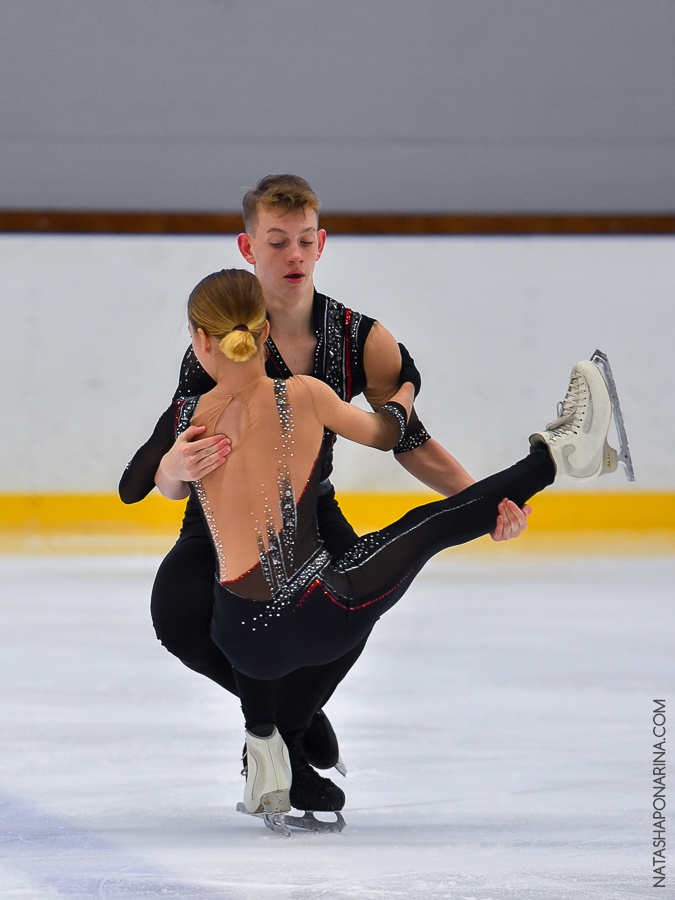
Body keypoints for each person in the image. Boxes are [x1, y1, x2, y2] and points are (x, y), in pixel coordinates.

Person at [150, 267, 621, 830]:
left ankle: (266, 743)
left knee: (243, 582)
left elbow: (160, 486)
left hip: (242, 640)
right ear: (264, 331)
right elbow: (389, 433)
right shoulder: (305, 394)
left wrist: (169, 465)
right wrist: (405, 392)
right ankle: (561, 455)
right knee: (428, 526)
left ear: (200, 340)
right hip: (319, 614)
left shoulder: (187, 420)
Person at [119, 174, 531, 813]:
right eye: (277, 241)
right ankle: (297, 718)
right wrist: (174, 464)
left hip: (311, 510)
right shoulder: (218, 336)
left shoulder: (359, 339)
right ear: (248, 247)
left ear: (322, 243)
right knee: (176, 614)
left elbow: (408, 440)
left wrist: (484, 501)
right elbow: (163, 461)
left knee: (350, 605)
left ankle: (284, 731)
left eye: (305, 241)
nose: (294, 255)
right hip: (222, 524)